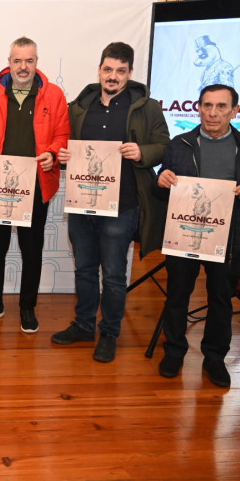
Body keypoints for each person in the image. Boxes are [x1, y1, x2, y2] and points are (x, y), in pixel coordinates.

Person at [51, 42, 170, 362]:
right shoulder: (80, 105)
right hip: (82, 203)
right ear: (99, 70)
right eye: (108, 69)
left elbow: (163, 145)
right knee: (85, 270)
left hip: (123, 204)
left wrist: (142, 151)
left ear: (130, 73)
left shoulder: (148, 107)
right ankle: (85, 325)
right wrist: (63, 156)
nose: (113, 76)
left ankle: (110, 333)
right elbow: (68, 145)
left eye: (120, 71)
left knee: (115, 275)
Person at [155, 84, 240, 388]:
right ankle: (174, 351)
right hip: (186, 234)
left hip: (231, 238)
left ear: (235, 111)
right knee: (178, 295)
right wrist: (162, 179)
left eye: (221, 106)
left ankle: (215, 358)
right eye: (207, 105)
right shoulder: (179, 143)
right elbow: (165, 185)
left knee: (221, 299)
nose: (213, 113)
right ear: (198, 107)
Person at [0, 37, 70, 333]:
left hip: (37, 184)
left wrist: (53, 154)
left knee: (32, 249)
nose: (23, 67)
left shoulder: (54, 95)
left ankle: (27, 307)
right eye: (17, 61)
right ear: (9, 62)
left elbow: (62, 134)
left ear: (36, 62)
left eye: (29, 60)